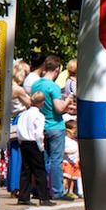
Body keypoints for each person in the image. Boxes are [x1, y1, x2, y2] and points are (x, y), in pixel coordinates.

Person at [31, 55, 75, 201]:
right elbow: (59, 108)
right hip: (55, 126)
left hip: (41, 125)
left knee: (44, 160)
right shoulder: (54, 87)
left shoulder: (36, 85)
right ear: (57, 69)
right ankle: (57, 191)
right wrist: (68, 99)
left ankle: (42, 189)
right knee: (56, 160)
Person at [16, 91, 54, 207]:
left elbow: (18, 130)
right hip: (34, 143)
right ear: (42, 103)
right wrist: (41, 147)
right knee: (39, 171)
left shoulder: (23, 114)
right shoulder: (39, 116)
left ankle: (23, 196)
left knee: (25, 170)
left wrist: (21, 141)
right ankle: (43, 197)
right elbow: (38, 133)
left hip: (24, 143)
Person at [6, 60, 32, 197]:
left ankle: (12, 185)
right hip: (21, 119)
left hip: (13, 120)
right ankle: (18, 185)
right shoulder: (19, 89)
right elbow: (29, 103)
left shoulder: (8, 87)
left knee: (13, 154)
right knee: (20, 154)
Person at [62, 119, 81, 198]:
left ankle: (70, 191)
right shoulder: (65, 140)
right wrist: (68, 152)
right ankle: (64, 190)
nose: (75, 134)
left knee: (73, 178)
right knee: (66, 177)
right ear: (67, 131)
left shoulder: (75, 140)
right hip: (67, 161)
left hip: (74, 162)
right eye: (74, 132)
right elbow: (62, 150)